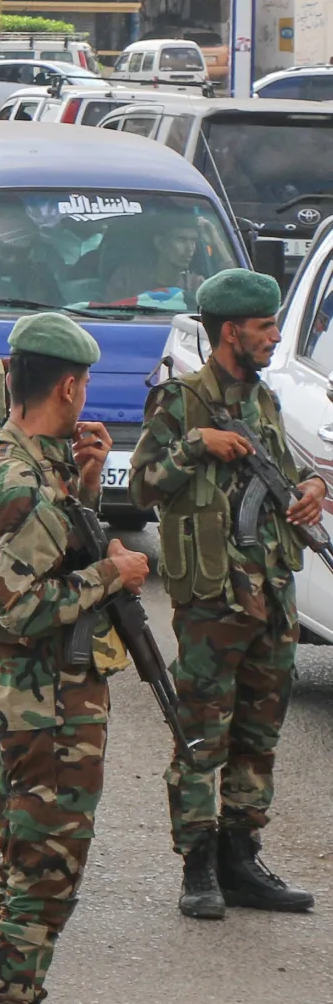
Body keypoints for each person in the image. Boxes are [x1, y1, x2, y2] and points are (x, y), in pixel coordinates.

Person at [0, 313, 149, 1004]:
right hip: (44, 712)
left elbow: (43, 553)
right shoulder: (19, 481)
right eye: (85, 388)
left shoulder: (11, 462)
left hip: (34, 703)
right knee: (40, 887)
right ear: (66, 386)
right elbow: (26, 605)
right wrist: (116, 571)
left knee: (27, 880)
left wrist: (90, 485)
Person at [130, 268, 324, 920]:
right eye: (265, 326)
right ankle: (198, 868)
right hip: (214, 602)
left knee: (258, 735)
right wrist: (197, 445)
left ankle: (242, 858)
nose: (275, 335)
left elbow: (285, 470)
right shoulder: (183, 400)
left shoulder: (263, 399)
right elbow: (143, 486)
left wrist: (309, 492)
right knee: (200, 737)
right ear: (231, 331)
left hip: (271, 596)